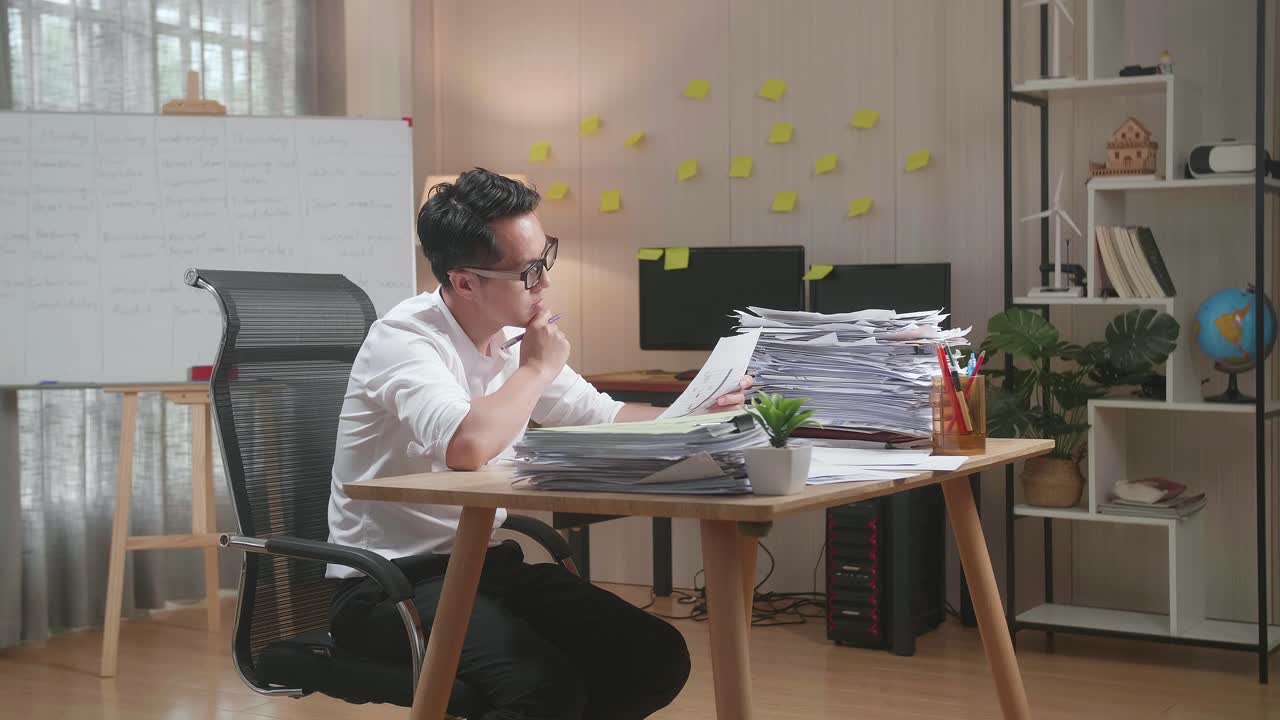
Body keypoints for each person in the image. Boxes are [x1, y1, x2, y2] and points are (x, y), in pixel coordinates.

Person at [326, 167, 752, 719]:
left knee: (653, 657)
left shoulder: (509, 340)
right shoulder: (404, 340)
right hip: (388, 587)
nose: (545, 283)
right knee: (542, 690)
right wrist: (534, 371)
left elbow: (602, 415)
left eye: (544, 259)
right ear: (465, 281)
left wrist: (694, 415)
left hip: (481, 567)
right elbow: (467, 446)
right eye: (528, 272)